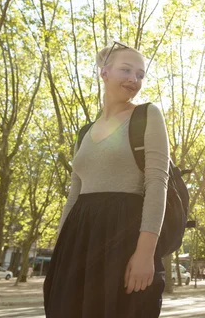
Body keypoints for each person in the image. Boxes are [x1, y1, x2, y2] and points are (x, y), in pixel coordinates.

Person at [43, 42, 170, 318]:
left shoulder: (147, 115)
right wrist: (59, 252)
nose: (133, 79)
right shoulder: (84, 132)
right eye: (126, 70)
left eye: (140, 74)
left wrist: (145, 254)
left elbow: (157, 183)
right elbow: (73, 197)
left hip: (125, 237)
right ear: (104, 73)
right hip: (78, 240)